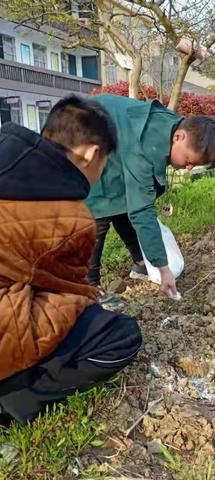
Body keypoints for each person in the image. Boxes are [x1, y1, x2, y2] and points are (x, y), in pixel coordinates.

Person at [0, 95, 142, 425]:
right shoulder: (70, 217)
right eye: (105, 161)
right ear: (92, 154)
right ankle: (15, 402)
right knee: (118, 335)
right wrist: (92, 301)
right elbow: (66, 295)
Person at [86, 94, 215, 302]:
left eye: (194, 165)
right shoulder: (145, 147)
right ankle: (89, 286)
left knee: (125, 203)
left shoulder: (175, 127)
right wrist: (163, 269)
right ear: (179, 137)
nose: (188, 169)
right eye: (189, 161)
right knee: (97, 212)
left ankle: (141, 263)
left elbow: (136, 204)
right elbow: (142, 212)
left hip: (107, 140)